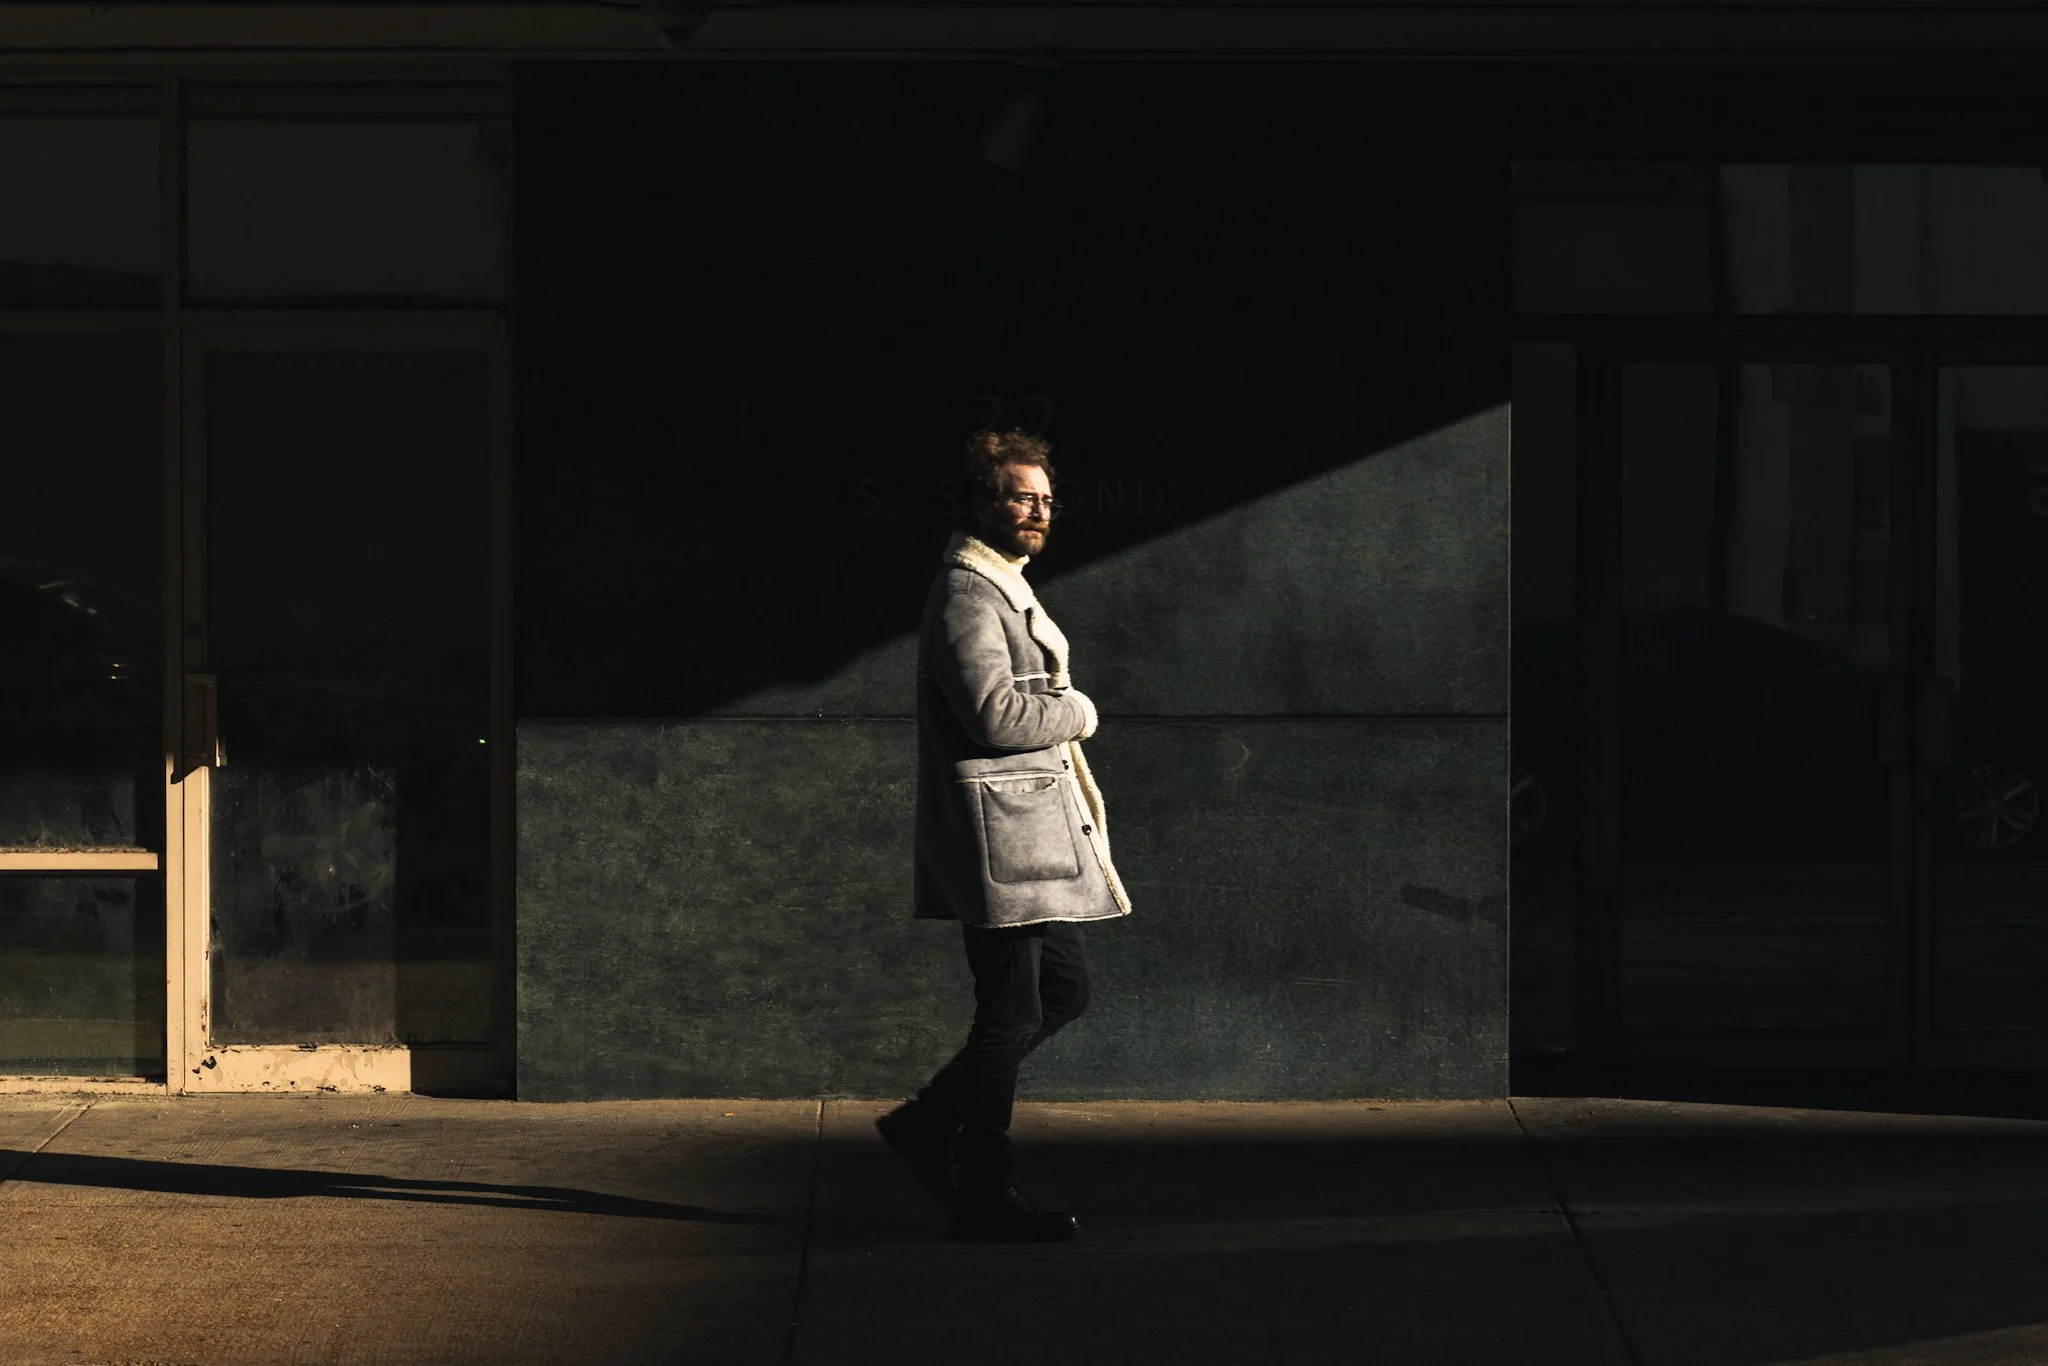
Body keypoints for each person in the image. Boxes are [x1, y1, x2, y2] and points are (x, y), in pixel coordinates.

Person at [875, 427, 1134, 1243]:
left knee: (1060, 993)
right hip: (1004, 842)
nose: (1039, 512)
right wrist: (1080, 711)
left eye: (1048, 500)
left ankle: (926, 1124)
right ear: (983, 500)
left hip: (1027, 838)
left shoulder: (1001, 587)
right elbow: (993, 714)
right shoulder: (967, 594)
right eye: (1023, 497)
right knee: (1012, 1010)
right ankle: (984, 1190)